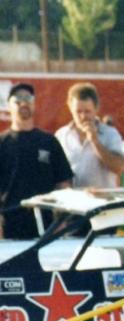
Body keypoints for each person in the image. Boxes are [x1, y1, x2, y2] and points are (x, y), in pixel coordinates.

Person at [0, 82, 73, 239]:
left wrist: (61, 221)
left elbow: (63, 184)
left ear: (34, 104)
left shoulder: (49, 142)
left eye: (28, 98)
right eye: (17, 100)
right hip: (9, 226)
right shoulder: (2, 143)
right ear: (9, 106)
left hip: (46, 227)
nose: (23, 103)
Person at [55, 82, 124, 189]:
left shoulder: (110, 134)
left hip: (101, 198)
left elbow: (119, 168)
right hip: (72, 197)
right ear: (70, 109)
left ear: (96, 109)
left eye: (87, 111)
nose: (83, 116)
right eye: (78, 112)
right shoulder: (61, 135)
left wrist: (95, 141)